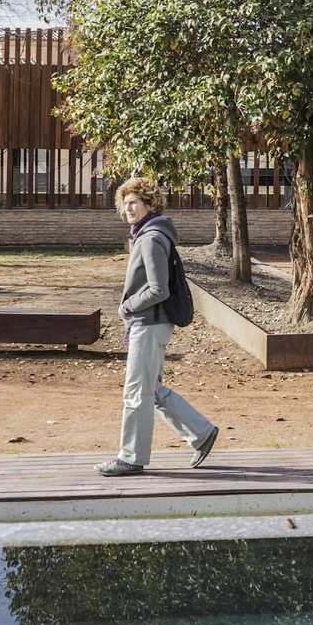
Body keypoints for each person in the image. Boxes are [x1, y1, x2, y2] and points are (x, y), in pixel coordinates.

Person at [95, 178, 219, 477]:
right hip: (153, 323)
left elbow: (158, 289)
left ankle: (131, 458)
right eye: (125, 203)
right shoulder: (150, 234)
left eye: (134, 202)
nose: (128, 208)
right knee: (150, 390)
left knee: (136, 393)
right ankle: (201, 432)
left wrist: (127, 306)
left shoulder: (150, 238)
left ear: (149, 204)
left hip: (149, 323)